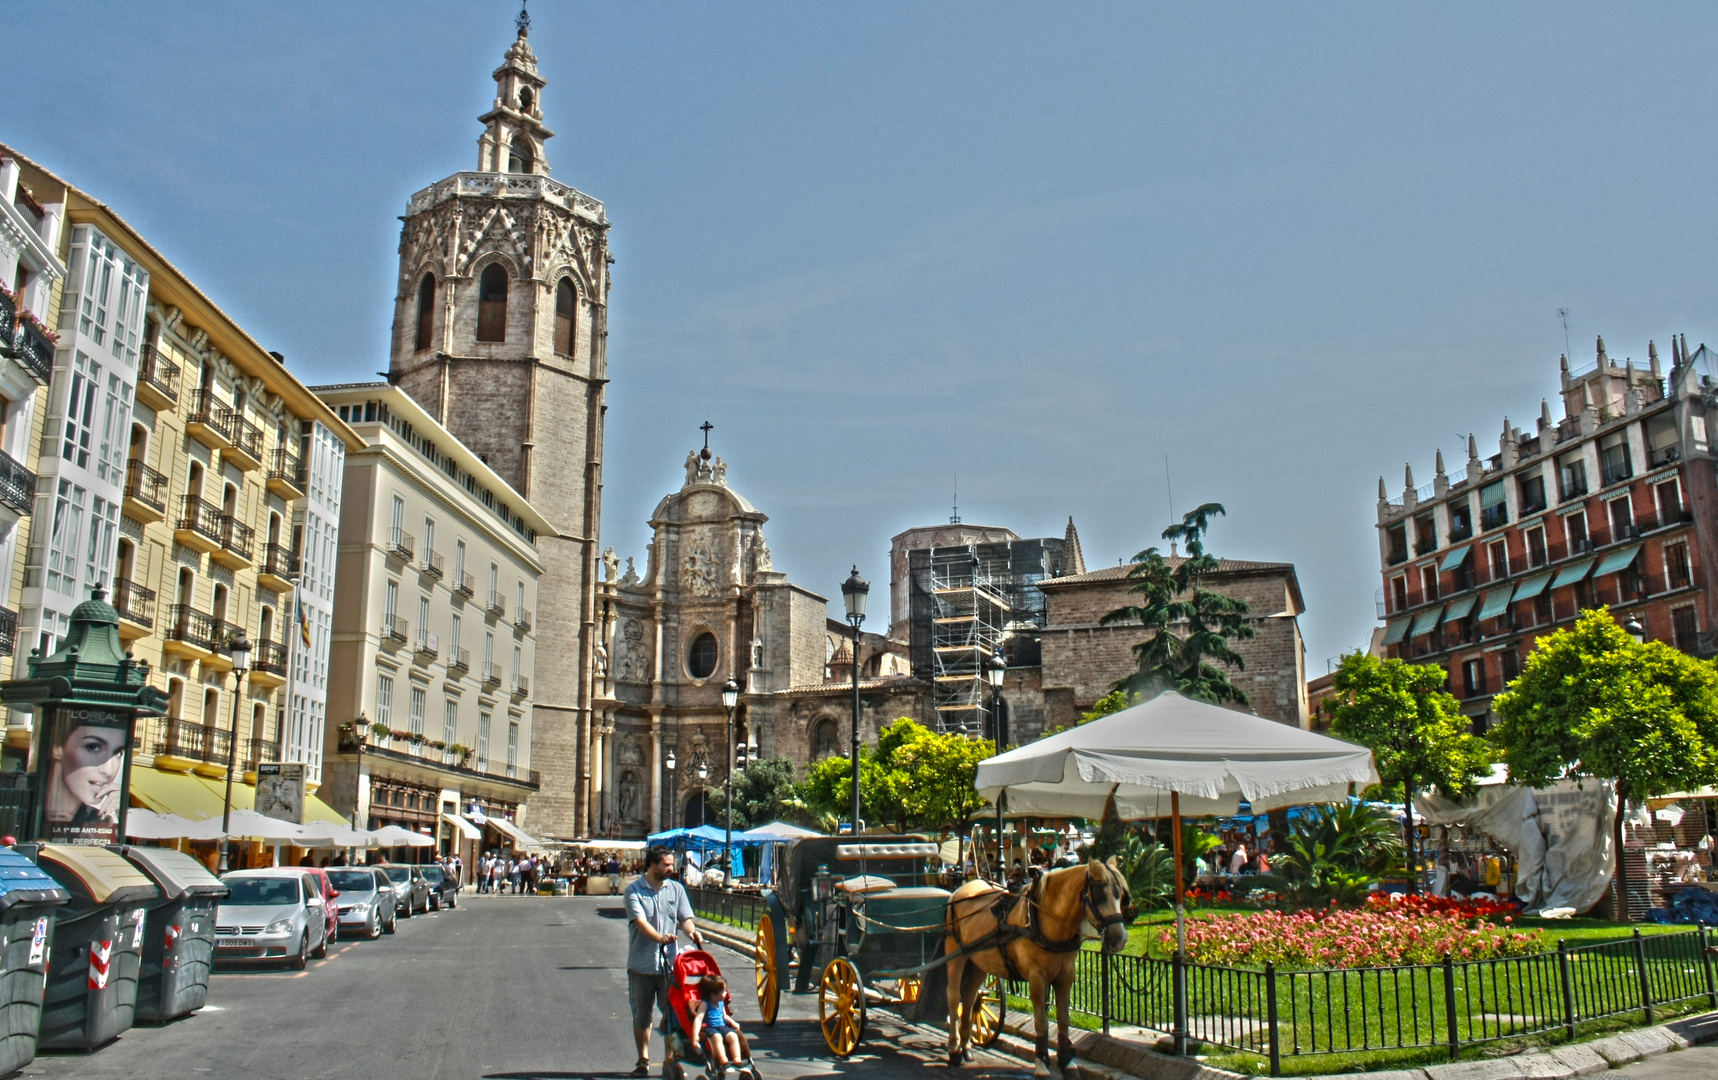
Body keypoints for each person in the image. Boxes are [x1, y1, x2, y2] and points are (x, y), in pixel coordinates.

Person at [626, 846, 703, 1077]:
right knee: (643, 1016)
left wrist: (692, 932)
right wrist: (660, 938)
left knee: (672, 1014)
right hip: (642, 965)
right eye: (666, 865)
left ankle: (671, 1060)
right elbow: (640, 922)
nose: (671, 868)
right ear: (652, 865)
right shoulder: (633, 891)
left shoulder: (676, 889)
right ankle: (643, 1059)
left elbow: (685, 919)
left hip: (670, 966)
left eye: (671, 864)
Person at [44, 721, 126, 841]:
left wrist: (122, 814)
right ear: (58, 748)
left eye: (118, 753)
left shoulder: (100, 821)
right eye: (93, 747)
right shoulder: (28, 814)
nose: (108, 771)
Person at [691, 973, 745, 1079]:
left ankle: (737, 1060)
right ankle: (723, 1061)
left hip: (721, 1026)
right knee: (717, 1037)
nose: (726, 993)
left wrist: (733, 1023)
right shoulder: (705, 1004)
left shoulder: (720, 1003)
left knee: (733, 1036)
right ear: (713, 995)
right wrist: (695, 1035)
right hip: (710, 1028)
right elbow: (698, 1019)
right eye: (723, 991)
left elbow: (724, 1016)